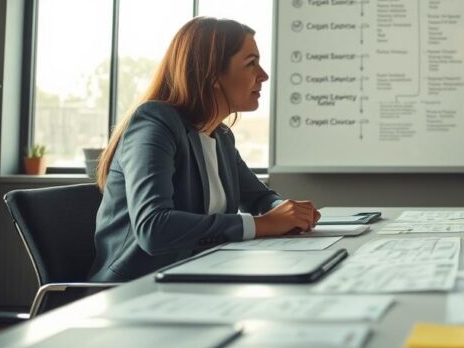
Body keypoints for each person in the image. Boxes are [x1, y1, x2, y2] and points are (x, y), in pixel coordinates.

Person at [89, 17, 320, 281]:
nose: (264, 75)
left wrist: (287, 213)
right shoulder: (155, 123)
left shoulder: (220, 135)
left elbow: (258, 198)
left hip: (198, 279)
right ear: (213, 74)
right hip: (134, 290)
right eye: (251, 63)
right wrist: (264, 224)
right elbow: (153, 228)